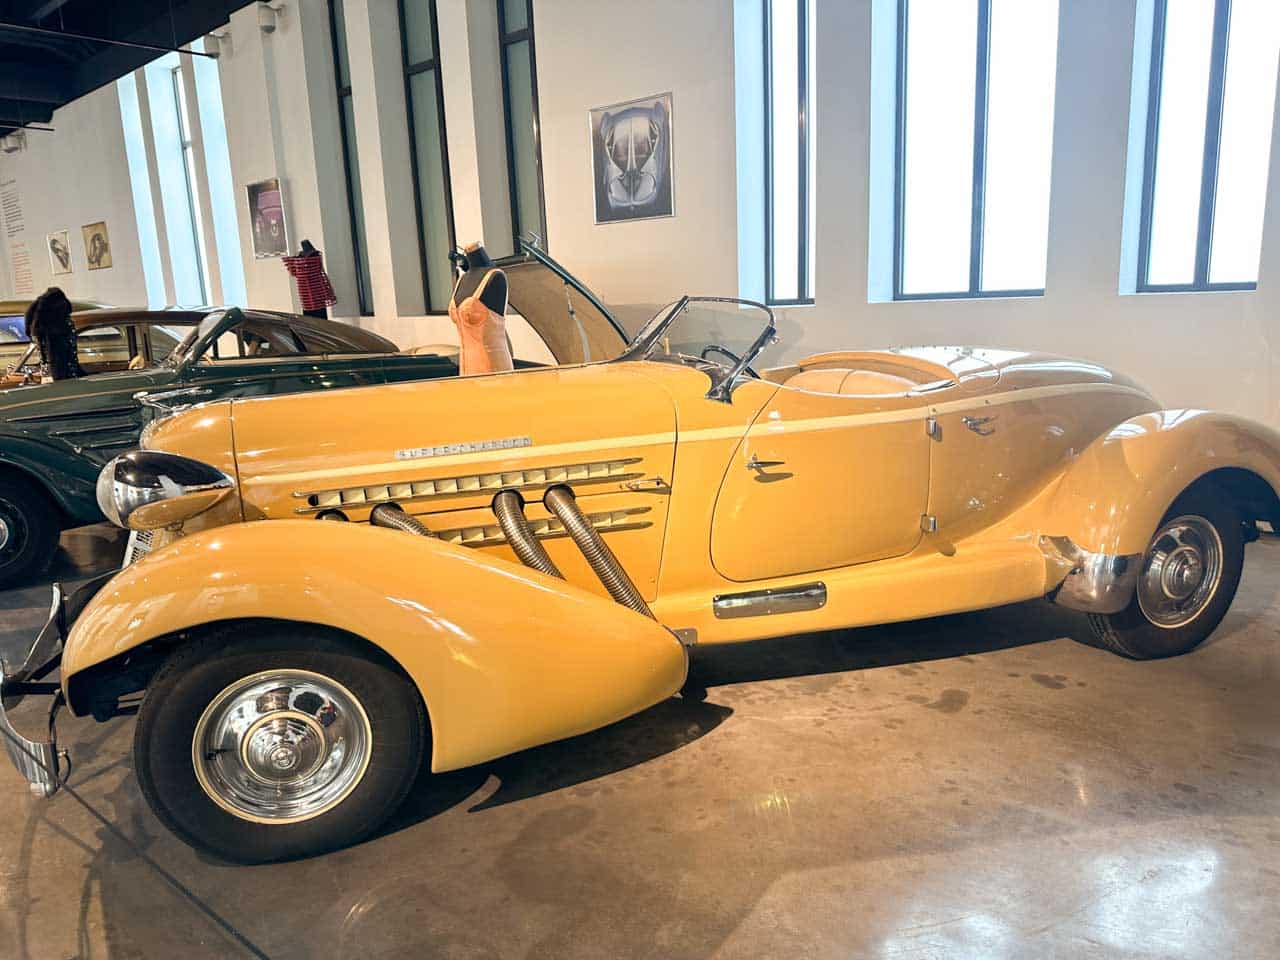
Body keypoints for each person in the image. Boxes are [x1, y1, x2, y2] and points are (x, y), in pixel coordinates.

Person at [23, 287, 82, 381]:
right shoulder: (56, 334)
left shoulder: (43, 330)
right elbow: (60, 366)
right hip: (64, 381)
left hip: (52, 379)